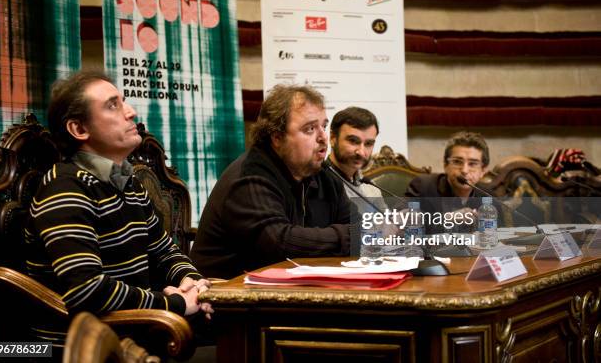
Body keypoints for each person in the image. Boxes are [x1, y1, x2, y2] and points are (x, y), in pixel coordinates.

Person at [26, 71, 212, 349]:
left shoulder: (126, 181)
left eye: (123, 101)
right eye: (112, 105)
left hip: (134, 333)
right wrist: (174, 303)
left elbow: (166, 251)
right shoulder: (64, 189)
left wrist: (192, 283)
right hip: (78, 349)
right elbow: (87, 291)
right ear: (79, 129)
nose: (131, 111)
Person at [191, 84, 355, 279]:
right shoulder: (250, 177)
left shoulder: (325, 176)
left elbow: (356, 225)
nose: (323, 138)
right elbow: (280, 243)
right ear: (277, 137)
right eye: (310, 129)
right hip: (225, 297)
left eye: (324, 126)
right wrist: (350, 236)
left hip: (289, 292)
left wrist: (382, 230)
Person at [405, 131, 490, 233]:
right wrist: (446, 219)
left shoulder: (487, 196)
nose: (464, 170)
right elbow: (401, 221)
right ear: (445, 165)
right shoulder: (422, 186)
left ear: (483, 170)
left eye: (472, 164)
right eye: (457, 162)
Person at [325, 106, 382, 201]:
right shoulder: (319, 186)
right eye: (353, 141)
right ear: (333, 138)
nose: (361, 152)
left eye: (368, 144)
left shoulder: (371, 188)